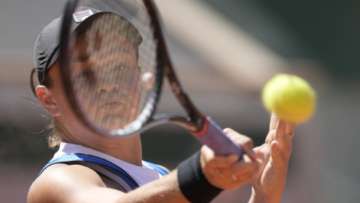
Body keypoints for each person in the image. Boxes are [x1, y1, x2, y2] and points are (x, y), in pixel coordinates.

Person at [27, 7, 295, 203]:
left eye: (119, 67)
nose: (107, 84)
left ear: (144, 79)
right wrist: (200, 177)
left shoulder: (157, 177)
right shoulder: (56, 184)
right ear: (49, 99)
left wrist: (264, 196)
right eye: (85, 74)